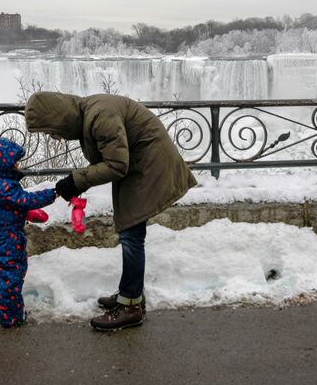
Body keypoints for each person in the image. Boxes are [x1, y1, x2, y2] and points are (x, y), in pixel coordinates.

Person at [25, 92, 197, 331]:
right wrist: (77, 181)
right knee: (131, 233)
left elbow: (116, 164)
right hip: (139, 166)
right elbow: (112, 159)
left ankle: (131, 306)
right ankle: (130, 295)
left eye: (51, 132)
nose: (55, 138)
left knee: (131, 236)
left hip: (149, 167)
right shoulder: (91, 113)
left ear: (60, 118)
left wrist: (76, 181)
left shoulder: (99, 115)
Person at [0, 137, 56, 328]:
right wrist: (54, 193)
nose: (17, 165)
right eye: (14, 161)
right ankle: (12, 317)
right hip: (8, 238)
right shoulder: (5, 186)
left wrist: (23, 213)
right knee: (11, 275)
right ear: (4, 163)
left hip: (0, 234)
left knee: (0, 273)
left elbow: (9, 205)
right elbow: (26, 199)